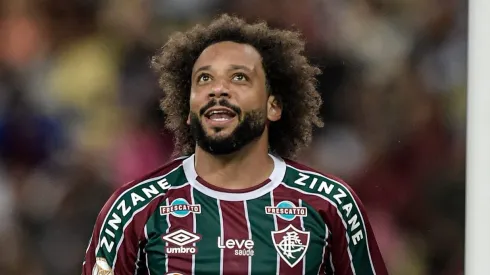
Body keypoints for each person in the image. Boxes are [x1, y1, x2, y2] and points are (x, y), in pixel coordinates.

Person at [82, 14, 388, 275]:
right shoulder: (133, 209)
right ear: (187, 109)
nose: (218, 90)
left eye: (239, 78)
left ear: (274, 105)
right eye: (203, 79)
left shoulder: (330, 204)